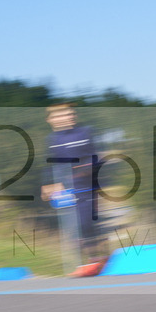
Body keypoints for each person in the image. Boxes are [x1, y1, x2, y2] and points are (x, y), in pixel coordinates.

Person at [41, 103, 104, 276]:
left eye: (71, 114)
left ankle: (95, 260)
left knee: (85, 222)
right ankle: (94, 260)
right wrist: (46, 184)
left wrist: (81, 170)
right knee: (72, 230)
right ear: (51, 120)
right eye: (63, 115)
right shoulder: (52, 139)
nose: (70, 117)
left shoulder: (85, 132)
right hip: (67, 189)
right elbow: (51, 163)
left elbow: (98, 157)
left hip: (87, 185)